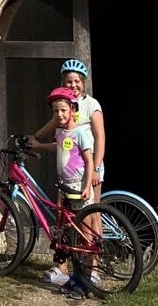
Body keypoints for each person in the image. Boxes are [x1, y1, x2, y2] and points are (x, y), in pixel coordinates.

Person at [26, 59, 106, 288]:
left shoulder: (91, 104)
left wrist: (97, 169)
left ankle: (94, 269)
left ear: (84, 83)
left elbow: (99, 137)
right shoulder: (63, 105)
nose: (73, 85)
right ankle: (64, 268)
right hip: (68, 173)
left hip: (89, 169)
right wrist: (35, 138)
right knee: (66, 220)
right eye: (69, 81)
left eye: (77, 81)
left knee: (91, 219)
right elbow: (54, 126)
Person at [46, 85, 97, 300]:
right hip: (65, 189)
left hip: (79, 189)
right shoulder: (60, 132)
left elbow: (89, 161)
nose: (59, 114)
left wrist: (87, 186)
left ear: (73, 110)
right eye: (56, 111)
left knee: (84, 236)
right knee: (70, 235)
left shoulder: (81, 132)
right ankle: (75, 278)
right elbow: (58, 148)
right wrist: (38, 146)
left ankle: (85, 283)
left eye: (63, 110)